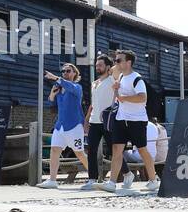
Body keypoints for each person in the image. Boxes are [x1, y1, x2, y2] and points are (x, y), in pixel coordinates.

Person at [104, 51, 158, 192]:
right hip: (121, 118)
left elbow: (142, 97)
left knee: (142, 150)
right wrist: (116, 90)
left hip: (137, 120)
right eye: (115, 60)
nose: (116, 63)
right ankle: (111, 182)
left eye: (118, 60)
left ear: (128, 62)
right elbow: (119, 97)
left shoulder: (137, 79)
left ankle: (153, 180)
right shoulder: (121, 76)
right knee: (116, 150)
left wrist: (125, 98)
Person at [38, 63, 90, 189]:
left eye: (68, 71)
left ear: (74, 73)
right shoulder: (60, 90)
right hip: (60, 126)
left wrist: (55, 78)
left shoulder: (77, 87)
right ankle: (52, 180)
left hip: (74, 126)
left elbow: (69, 86)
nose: (65, 73)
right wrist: (52, 94)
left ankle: (94, 176)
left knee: (80, 153)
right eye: (63, 71)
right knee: (54, 150)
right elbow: (51, 101)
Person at [83, 55, 114, 189]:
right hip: (94, 121)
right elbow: (93, 103)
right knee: (91, 150)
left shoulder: (113, 80)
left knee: (114, 149)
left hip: (107, 120)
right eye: (96, 65)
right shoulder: (94, 83)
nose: (97, 67)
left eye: (100, 65)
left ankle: (127, 173)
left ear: (107, 66)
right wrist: (86, 120)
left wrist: (111, 69)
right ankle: (92, 179)